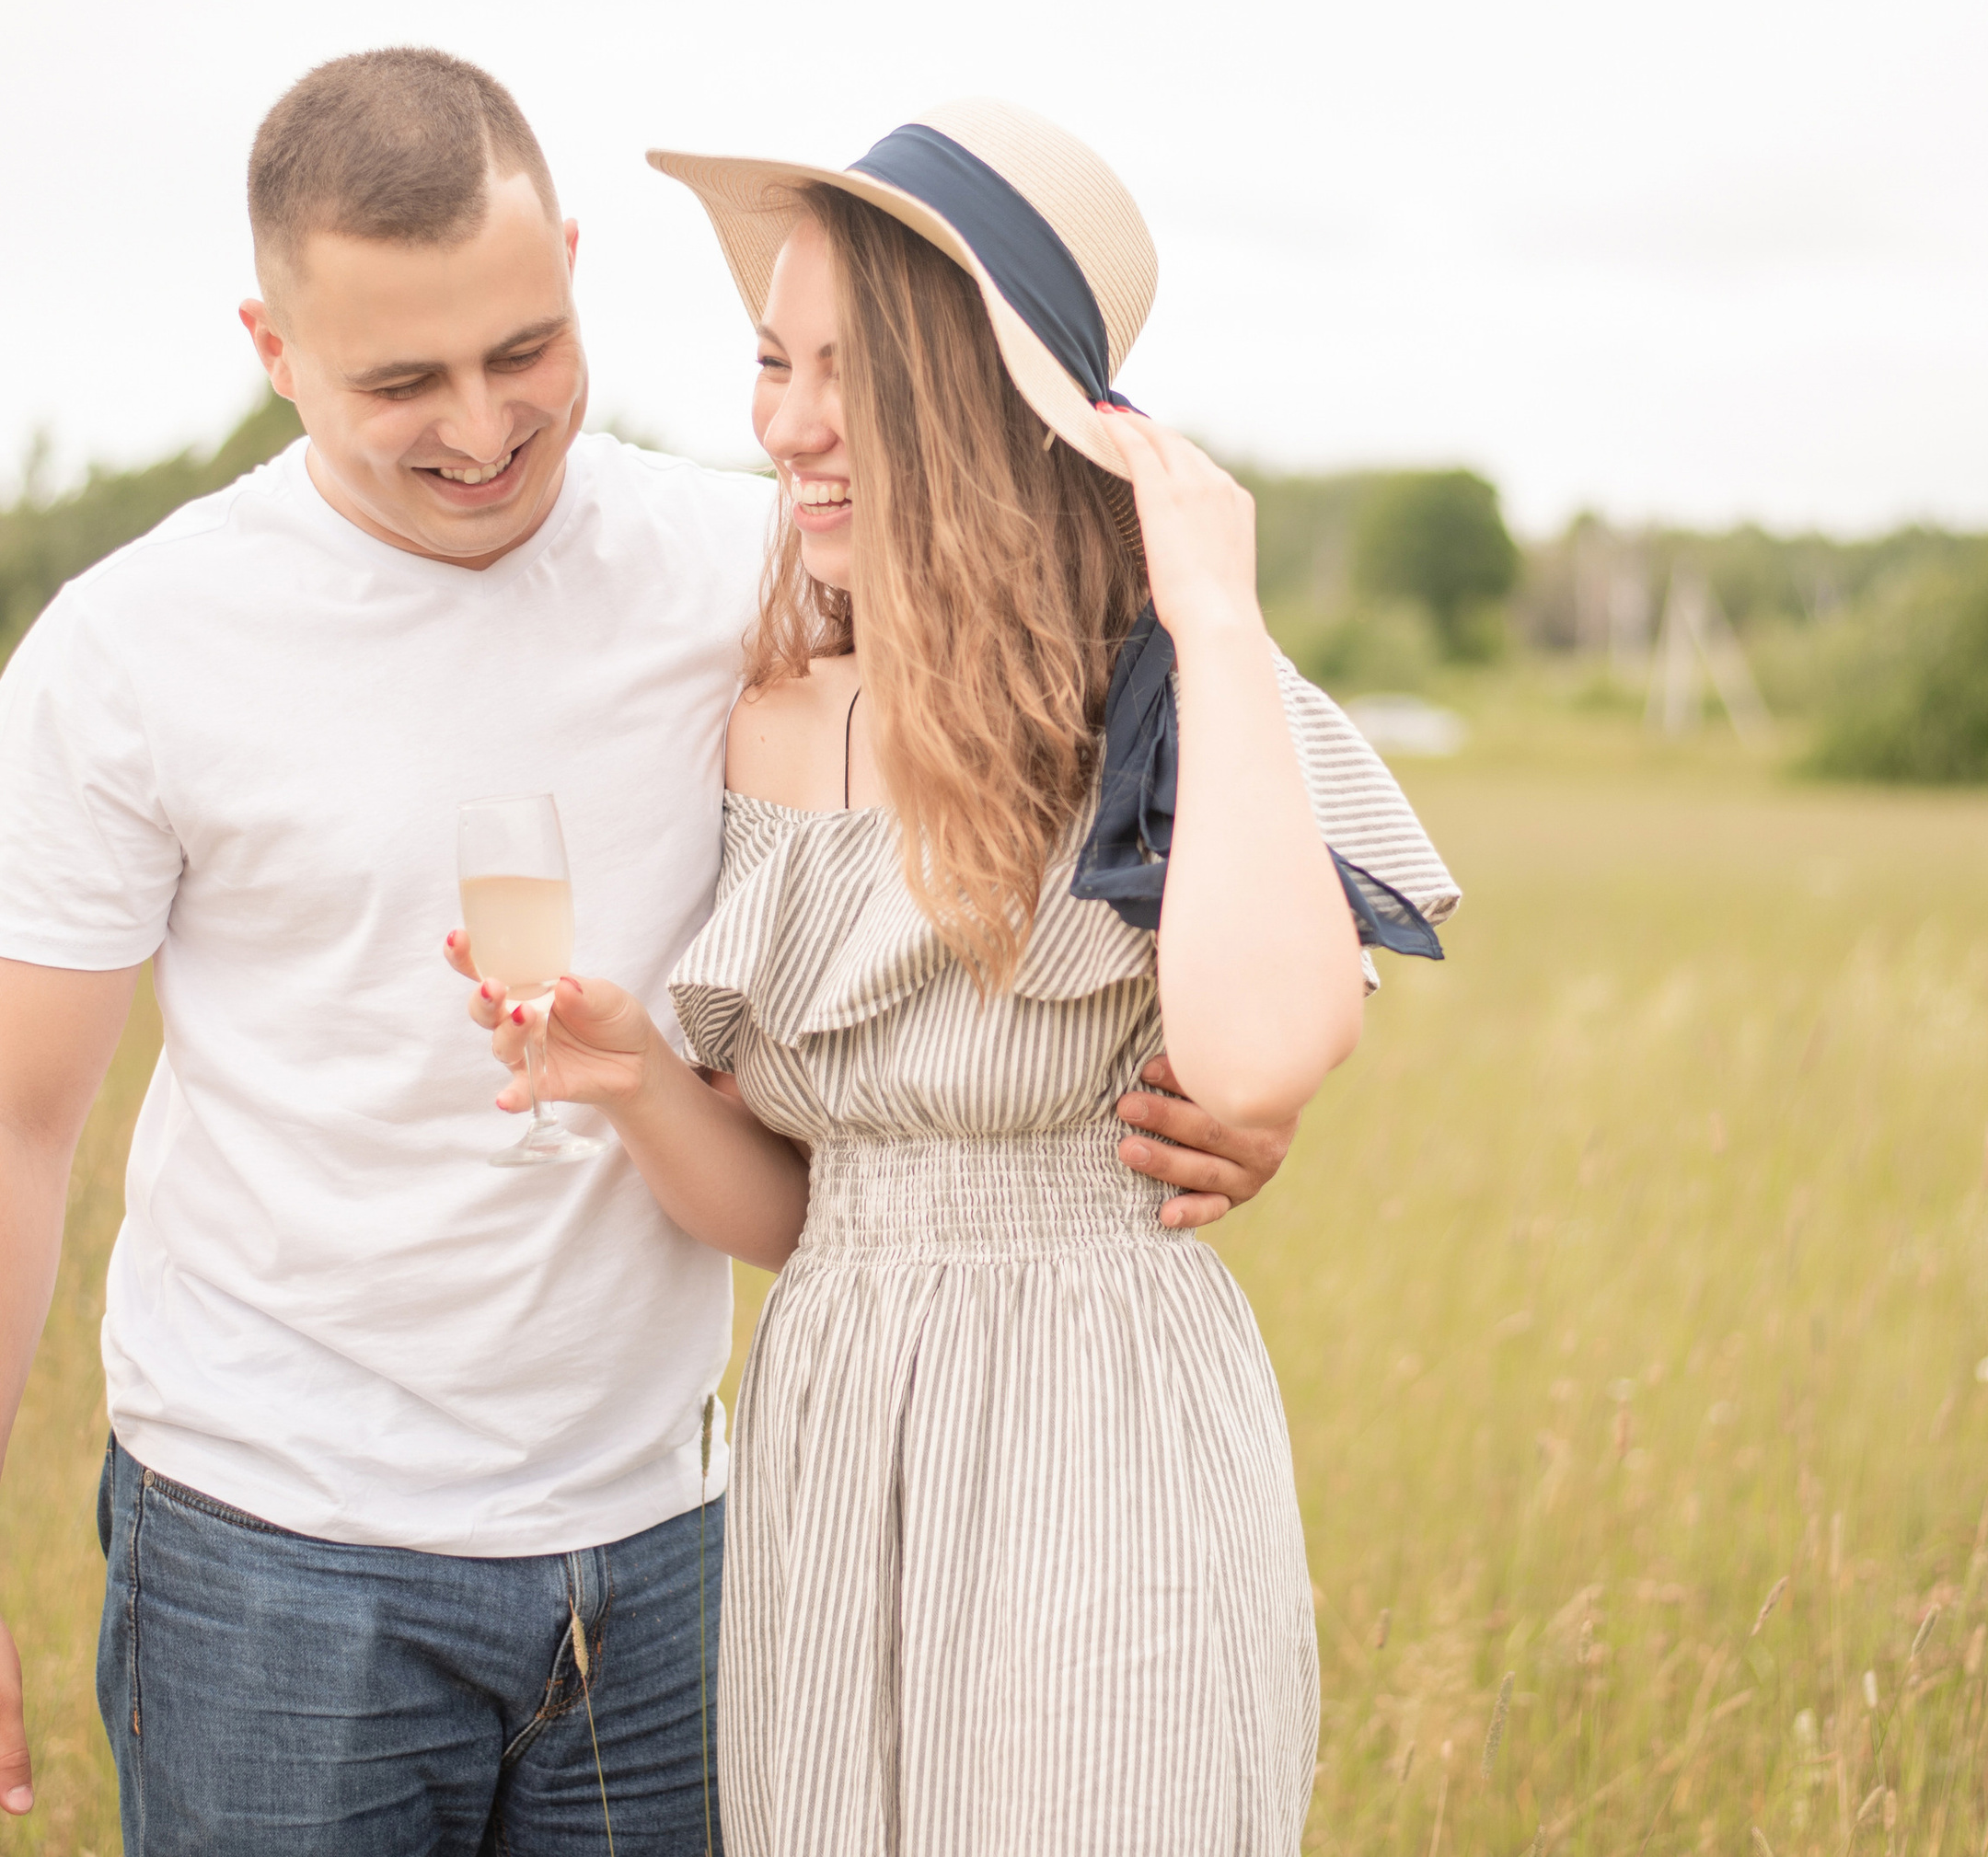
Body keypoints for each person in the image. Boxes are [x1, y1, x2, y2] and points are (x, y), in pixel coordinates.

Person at [0, 52, 1295, 1857]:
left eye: (524, 350)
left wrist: (1220, 1096)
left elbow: (1087, 801)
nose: (482, 425)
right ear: (273, 346)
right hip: (275, 1565)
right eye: (399, 380)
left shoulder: (751, 573)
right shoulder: (131, 653)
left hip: (674, 1549)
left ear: (570, 261)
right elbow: (5, 1120)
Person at [460, 101, 1460, 1853]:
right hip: (839, 1440)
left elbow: (1256, 1058)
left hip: (1107, 1432)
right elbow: (807, 1213)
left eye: (846, 371)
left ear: (986, 397)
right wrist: (629, 1082)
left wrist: (1216, 615)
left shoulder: (1174, 699)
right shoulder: (770, 725)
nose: (786, 423)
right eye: (770, 363)